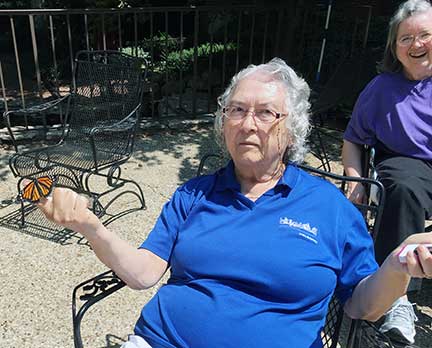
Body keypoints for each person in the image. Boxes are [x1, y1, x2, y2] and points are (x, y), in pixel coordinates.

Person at [37, 58, 432, 348]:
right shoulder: (193, 195)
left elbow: (363, 306)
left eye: (265, 113)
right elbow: (142, 274)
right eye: (237, 110)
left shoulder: (330, 208)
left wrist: (398, 265)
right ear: (223, 124)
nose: (247, 123)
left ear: (291, 131)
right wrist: (91, 226)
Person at [342, 0, 432, 345]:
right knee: (405, 187)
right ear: (395, 48)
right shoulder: (381, 88)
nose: (416, 44)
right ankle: (397, 296)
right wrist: (354, 179)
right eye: (405, 38)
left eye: (424, 35)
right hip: (402, 164)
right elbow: (353, 139)